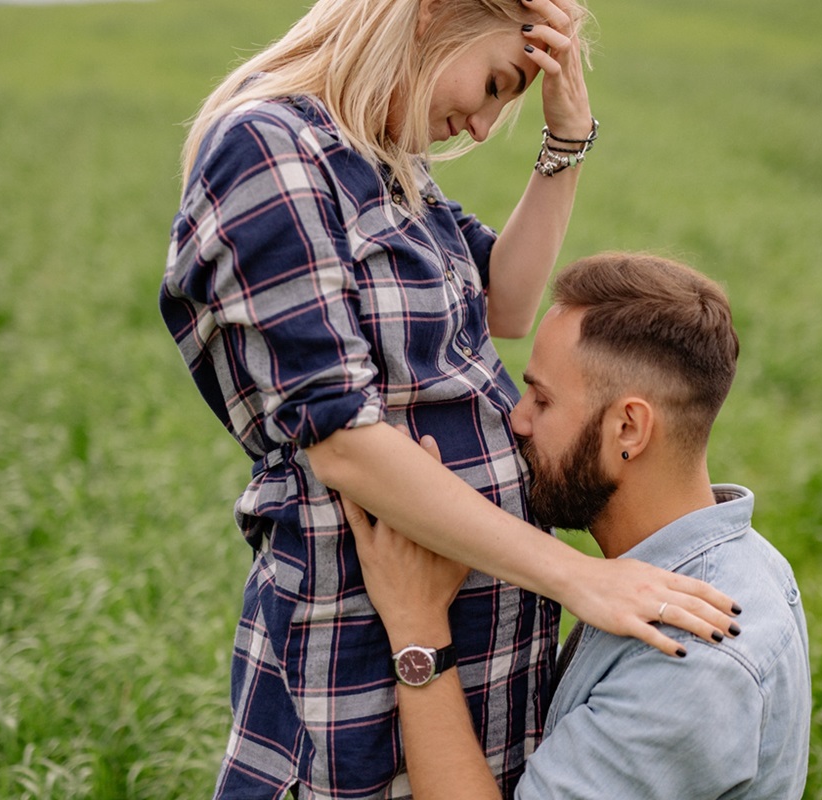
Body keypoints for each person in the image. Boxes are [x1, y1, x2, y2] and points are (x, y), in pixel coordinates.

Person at [160, 2, 742, 799]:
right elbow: (340, 437)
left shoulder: (387, 163)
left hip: (483, 646)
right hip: (357, 643)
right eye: (497, 83)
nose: (479, 127)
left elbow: (505, 303)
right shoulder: (271, 149)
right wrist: (578, 578)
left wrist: (565, 143)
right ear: (434, 14)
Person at [346, 252, 812, 799]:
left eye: (542, 399)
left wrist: (418, 630)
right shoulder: (739, 562)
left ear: (628, 430)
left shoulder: (688, 664)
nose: (517, 419)